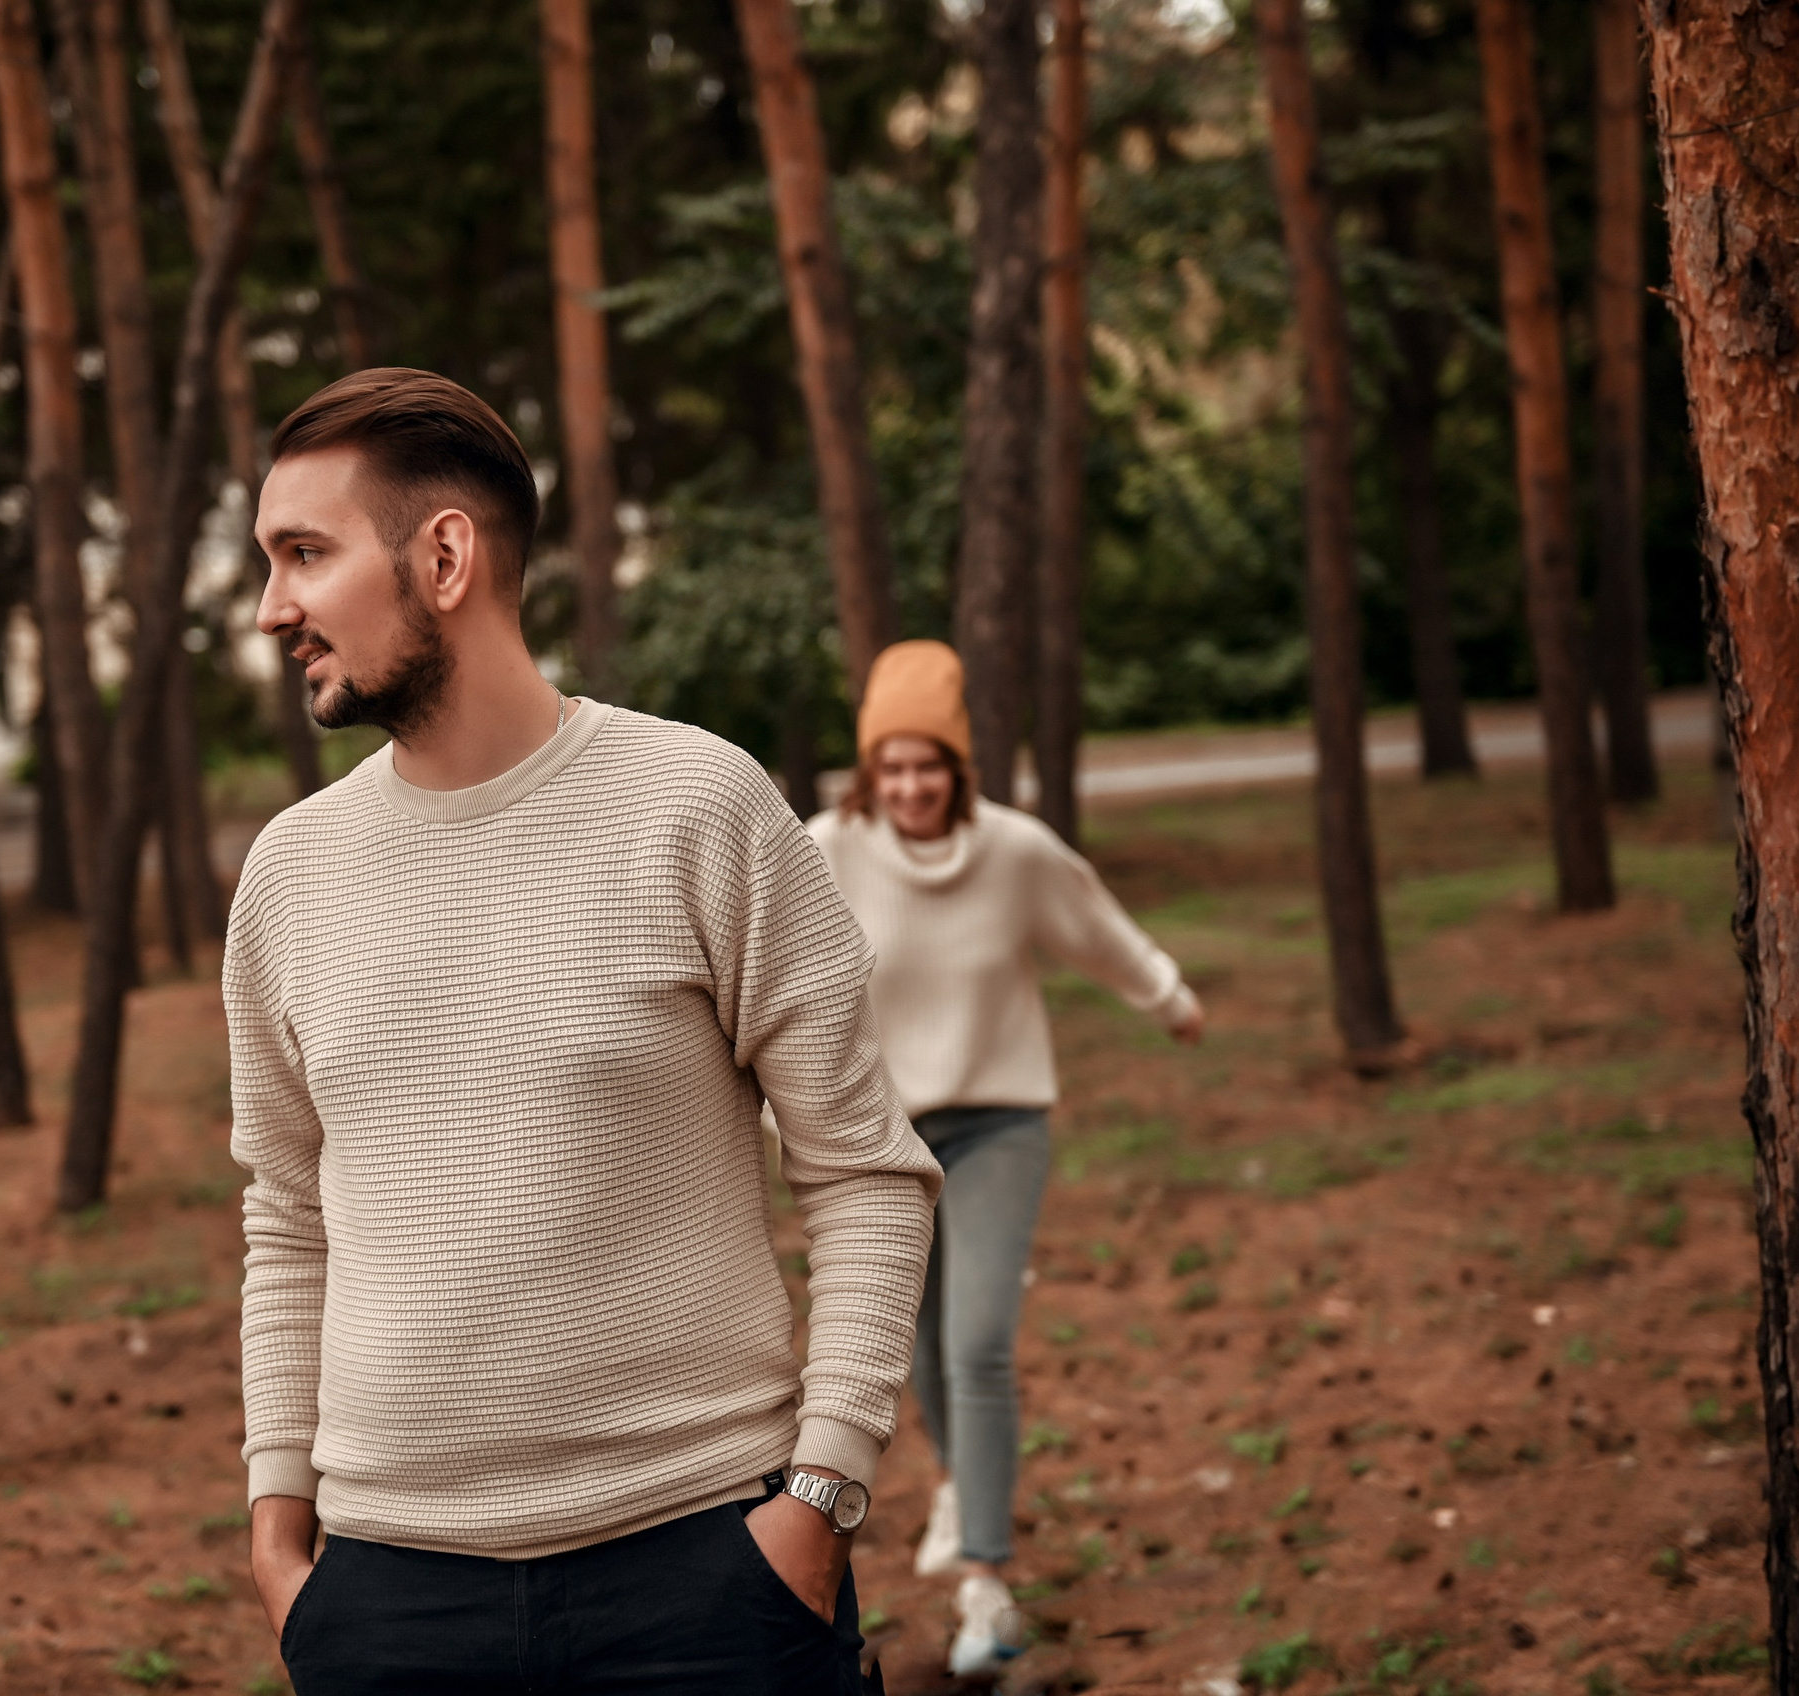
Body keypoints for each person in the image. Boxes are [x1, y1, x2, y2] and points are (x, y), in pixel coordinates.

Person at [224, 368, 941, 1695]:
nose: (273, 606)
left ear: (444, 555)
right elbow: (285, 1212)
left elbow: (865, 1171)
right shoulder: (289, 874)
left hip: (706, 1583)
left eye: (303, 555)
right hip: (389, 1603)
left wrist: (822, 1499)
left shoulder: (698, 810)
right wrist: (282, 1535)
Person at [808, 641, 1205, 1678]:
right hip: (883, 1144)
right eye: (889, 768)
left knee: (977, 1342)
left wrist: (1165, 995)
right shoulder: (825, 852)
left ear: (958, 767)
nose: (909, 787)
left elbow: (1096, 927)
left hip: (997, 1125)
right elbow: (767, 972)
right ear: (868, 773)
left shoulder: (1014, 851)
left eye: (927, 765)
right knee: (923, 1350)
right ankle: (957, 1482)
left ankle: (985, 1581)